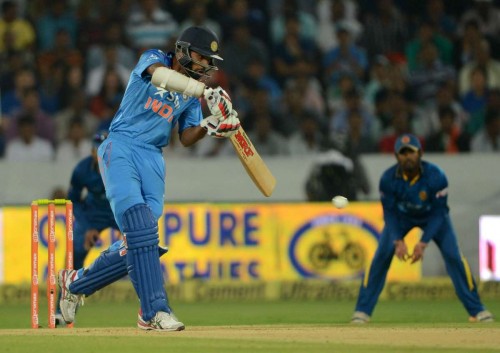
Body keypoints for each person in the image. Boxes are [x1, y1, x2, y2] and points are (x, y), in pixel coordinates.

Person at [57, 26, 240, 331]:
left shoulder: (192, 95)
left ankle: (75, 282)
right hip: (122, 146)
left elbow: (185, 137)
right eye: (200, 57)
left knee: (141, 240)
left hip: (153, 158)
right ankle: (154, 312)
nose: (205, 65)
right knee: (142, 229)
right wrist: (206, 92)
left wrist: (212, 125)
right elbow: (157, 75)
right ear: (181, 50)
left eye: (209, 60)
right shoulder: (154, 58)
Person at [351, 133, 494, 324]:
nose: (407, 157)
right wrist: (397, 240)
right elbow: (390, 214)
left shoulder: (436, 176)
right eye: (403, 153)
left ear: (420, 153)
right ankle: (362, 312)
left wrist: (423, 242)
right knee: (381, 256)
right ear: (396, 157)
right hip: (401, 218)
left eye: (411, 152)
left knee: (453, 256)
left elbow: (439, 213)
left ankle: (477, 310)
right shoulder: (388, 179)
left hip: (433, 218)